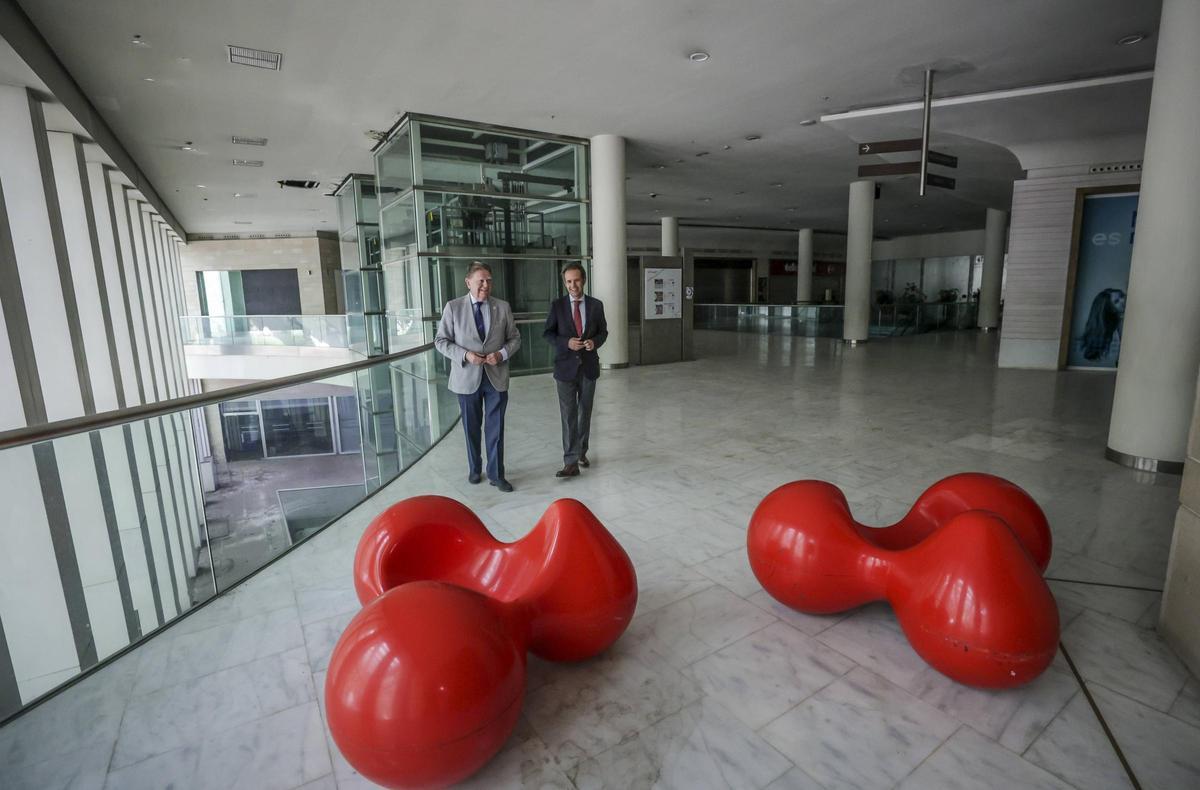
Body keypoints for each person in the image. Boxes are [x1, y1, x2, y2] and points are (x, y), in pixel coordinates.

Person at [435, 261, 521, 492]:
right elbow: (441, 341)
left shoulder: (502, 307)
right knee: (471, 428)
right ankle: (475, 469)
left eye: (489, 280)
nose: (486, 285)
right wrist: (465, 355)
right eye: (481, 280)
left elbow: (515, 338)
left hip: (496, 376)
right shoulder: (453, 307)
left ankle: (496, 474)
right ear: (468, 282)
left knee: (496, 428)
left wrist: (501, 354)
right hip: (466, 378)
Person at [542, 262, 608, 478]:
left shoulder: (596, 305)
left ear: (584, 280)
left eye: (576, 280)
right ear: (565, 282)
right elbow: (548, 334)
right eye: (569, 281)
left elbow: (603, 332)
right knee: (568, 414)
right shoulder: (557, 306)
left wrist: (594, 342)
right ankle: (570, 461)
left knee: (584, 412)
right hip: (565, 368)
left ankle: (581, 452)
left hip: (588, 367)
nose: (573, 285)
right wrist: (566, 343)